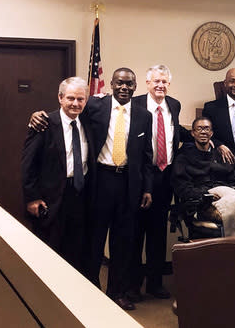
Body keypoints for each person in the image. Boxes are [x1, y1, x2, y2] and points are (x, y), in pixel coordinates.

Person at [29, 68, 153, 310]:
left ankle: (117, 292)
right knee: (93, 240)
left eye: (129, 84)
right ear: (113, 85)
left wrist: (147, 188)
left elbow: (146, 156)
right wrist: (36, 115)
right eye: (119, 83)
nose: (124, 88)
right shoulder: (95, 106)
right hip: (100, 181)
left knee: (123, 241)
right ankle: (91, 288)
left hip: (129, 184)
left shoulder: (143, 116)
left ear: (136, 86)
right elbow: (67, 111)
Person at [21, 77, 95, 278]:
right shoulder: (44, 124)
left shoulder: (88, 124)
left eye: (81, 99)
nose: (75, 103)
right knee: (49, 250)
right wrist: (32, 197)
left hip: (80, 195)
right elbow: (28, 164)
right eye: (70, 98)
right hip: (51, 199)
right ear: (60, 98)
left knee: (75, 250)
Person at [128, 65, 190, 301]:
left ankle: (155, 283)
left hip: (165, 177)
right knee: (136, 232)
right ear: (147, 83)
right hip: (142, 175)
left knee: (157, 233)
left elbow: (178, 134)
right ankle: (133, 285)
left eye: (164, 81)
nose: (160, 85)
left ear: (169, 84)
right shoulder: (135, 104)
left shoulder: (173, 104)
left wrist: (211, 139)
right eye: (156, 81)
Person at [172, 117, 235, 236]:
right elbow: (182, 187)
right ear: (193, 133)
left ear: (211, 133)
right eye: (199, 129)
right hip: (204, 200)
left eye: (207, 129)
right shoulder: (183, 157)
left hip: (230, 194)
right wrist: (203, 195)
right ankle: (234, 247)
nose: (203, 132)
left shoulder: (222, 155)